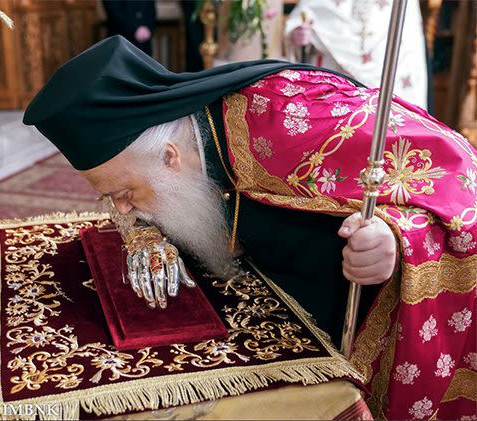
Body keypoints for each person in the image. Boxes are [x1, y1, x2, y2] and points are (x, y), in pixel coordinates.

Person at [24, 36, 476, 420]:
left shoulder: (294, 121)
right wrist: (145, 234)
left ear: (170, 157)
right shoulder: (170, 144)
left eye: (124, 193)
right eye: (110, 197)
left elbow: (460, 184)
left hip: (358, 322)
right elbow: (140, 207)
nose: (120, 209)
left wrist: (394, 237)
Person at [285, 0, 430, 111]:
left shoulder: (404, 4)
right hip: (333, 81)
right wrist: (296, 33)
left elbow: (409, 45)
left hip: (386, 80)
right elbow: (304, 14)